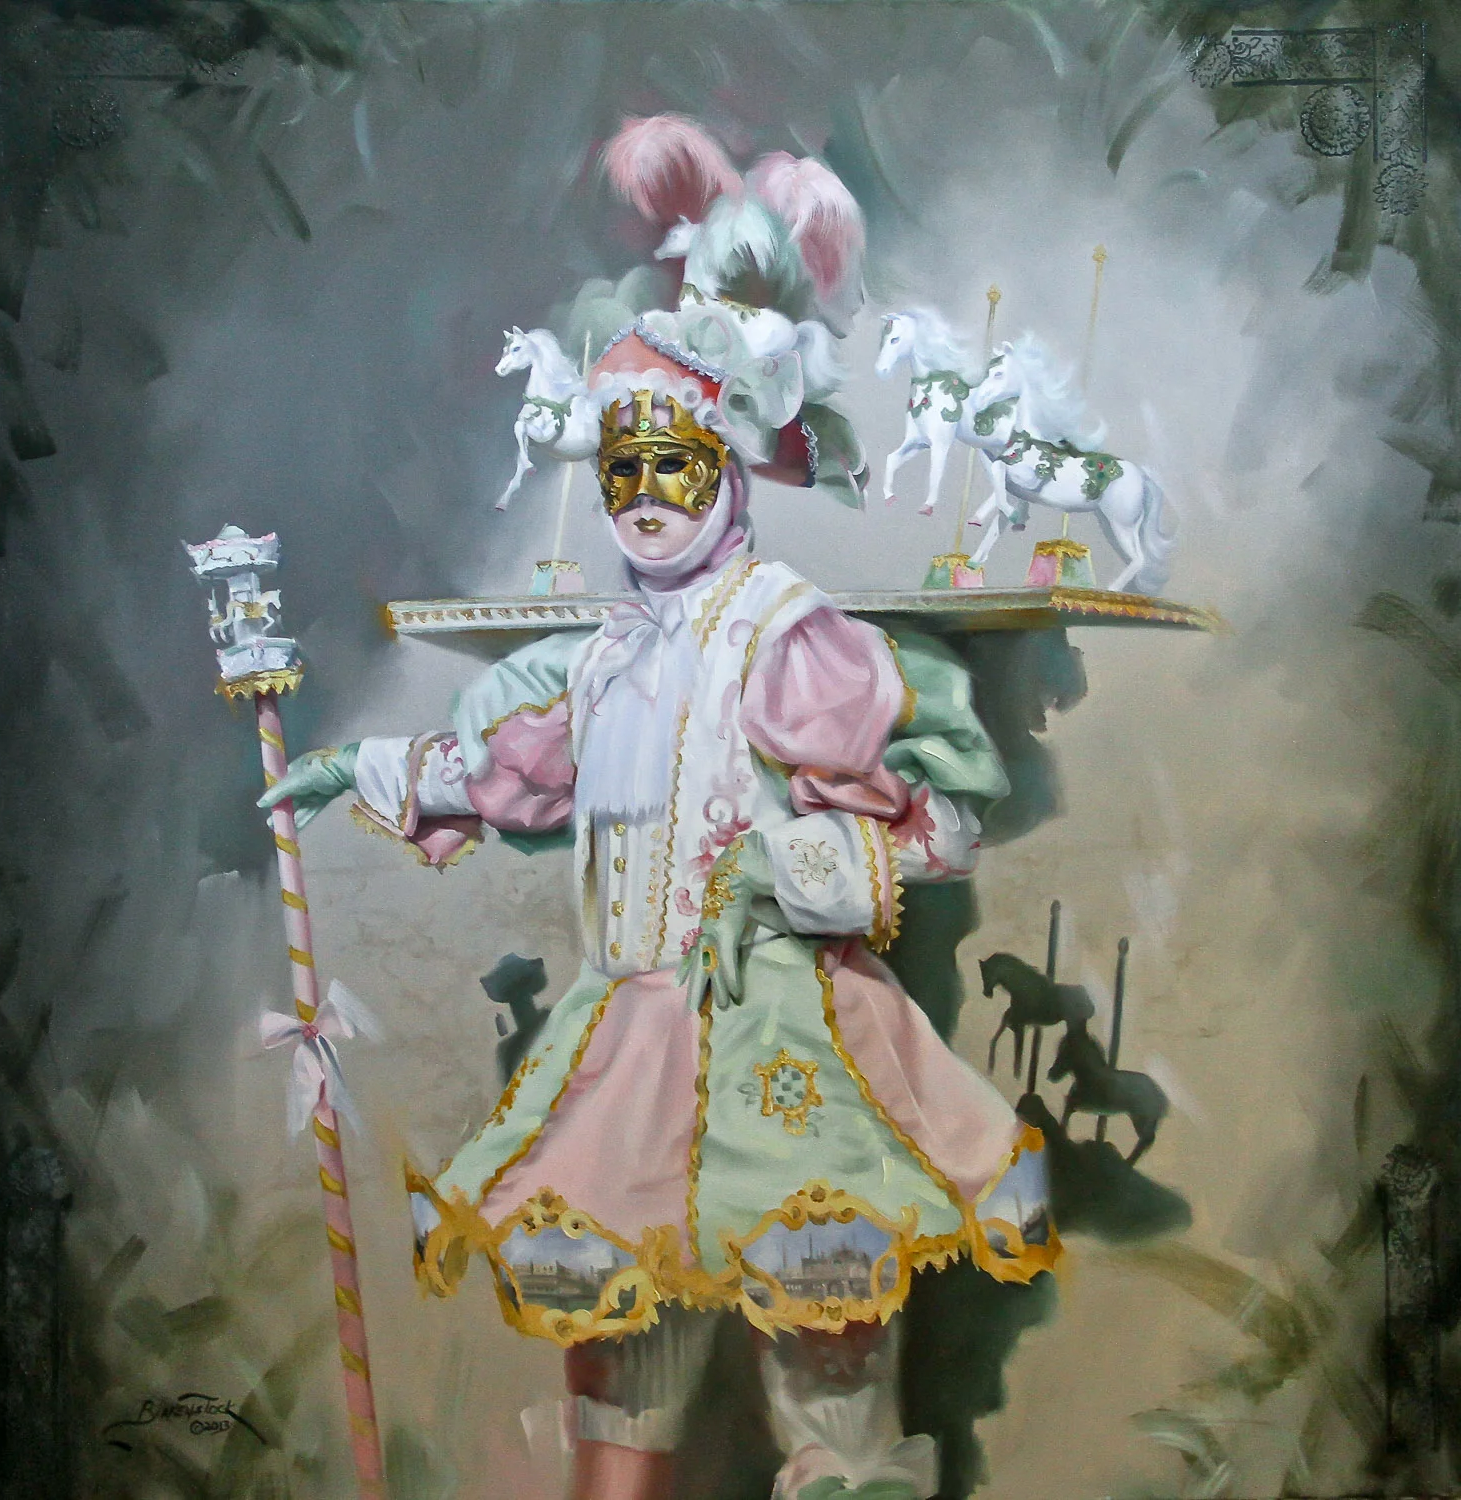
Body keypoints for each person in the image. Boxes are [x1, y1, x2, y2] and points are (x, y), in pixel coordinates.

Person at [261, 120, 1059, 1500]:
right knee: (620, 1383)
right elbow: (508, 773)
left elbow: (940, 822)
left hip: (787, 1037)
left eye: (672, 464)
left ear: (728, 471)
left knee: (830, 1369)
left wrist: (801, 867)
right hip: (631, 1041)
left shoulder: (790, 634)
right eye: (619, 472)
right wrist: (363, 772)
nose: (640, 496)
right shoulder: (603, 659)